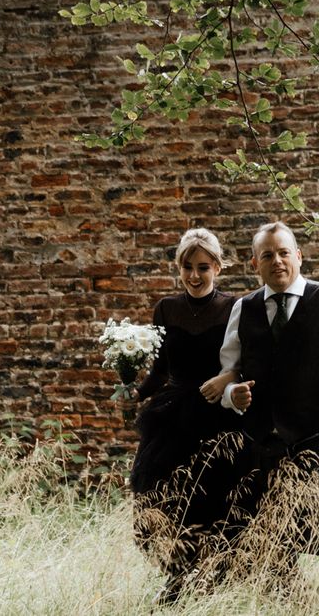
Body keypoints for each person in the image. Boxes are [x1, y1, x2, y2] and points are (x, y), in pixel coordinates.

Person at [217, 221, 319, 577]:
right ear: (255, 264)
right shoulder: (244, 308)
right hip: (259, 448)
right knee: (265, 555)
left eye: (284, 252)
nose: (278, 261)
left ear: (298, 256)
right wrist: (230, 395)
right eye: (267, 255)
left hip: (316, 442)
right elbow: (229, 370)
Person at [128, 228, 242, 603]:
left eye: (203, 267)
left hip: (216, 411)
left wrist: (225, 379)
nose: (195, 275)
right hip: (172, 414)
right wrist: (138, 390)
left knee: (210, 497)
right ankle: (176, 575)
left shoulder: (233, 307)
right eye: (187, 267)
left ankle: (213, 576)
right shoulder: (166, 308)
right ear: (179, 267)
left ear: (218, 267)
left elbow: (245, 362)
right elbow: (160, 368)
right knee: (157, 495)